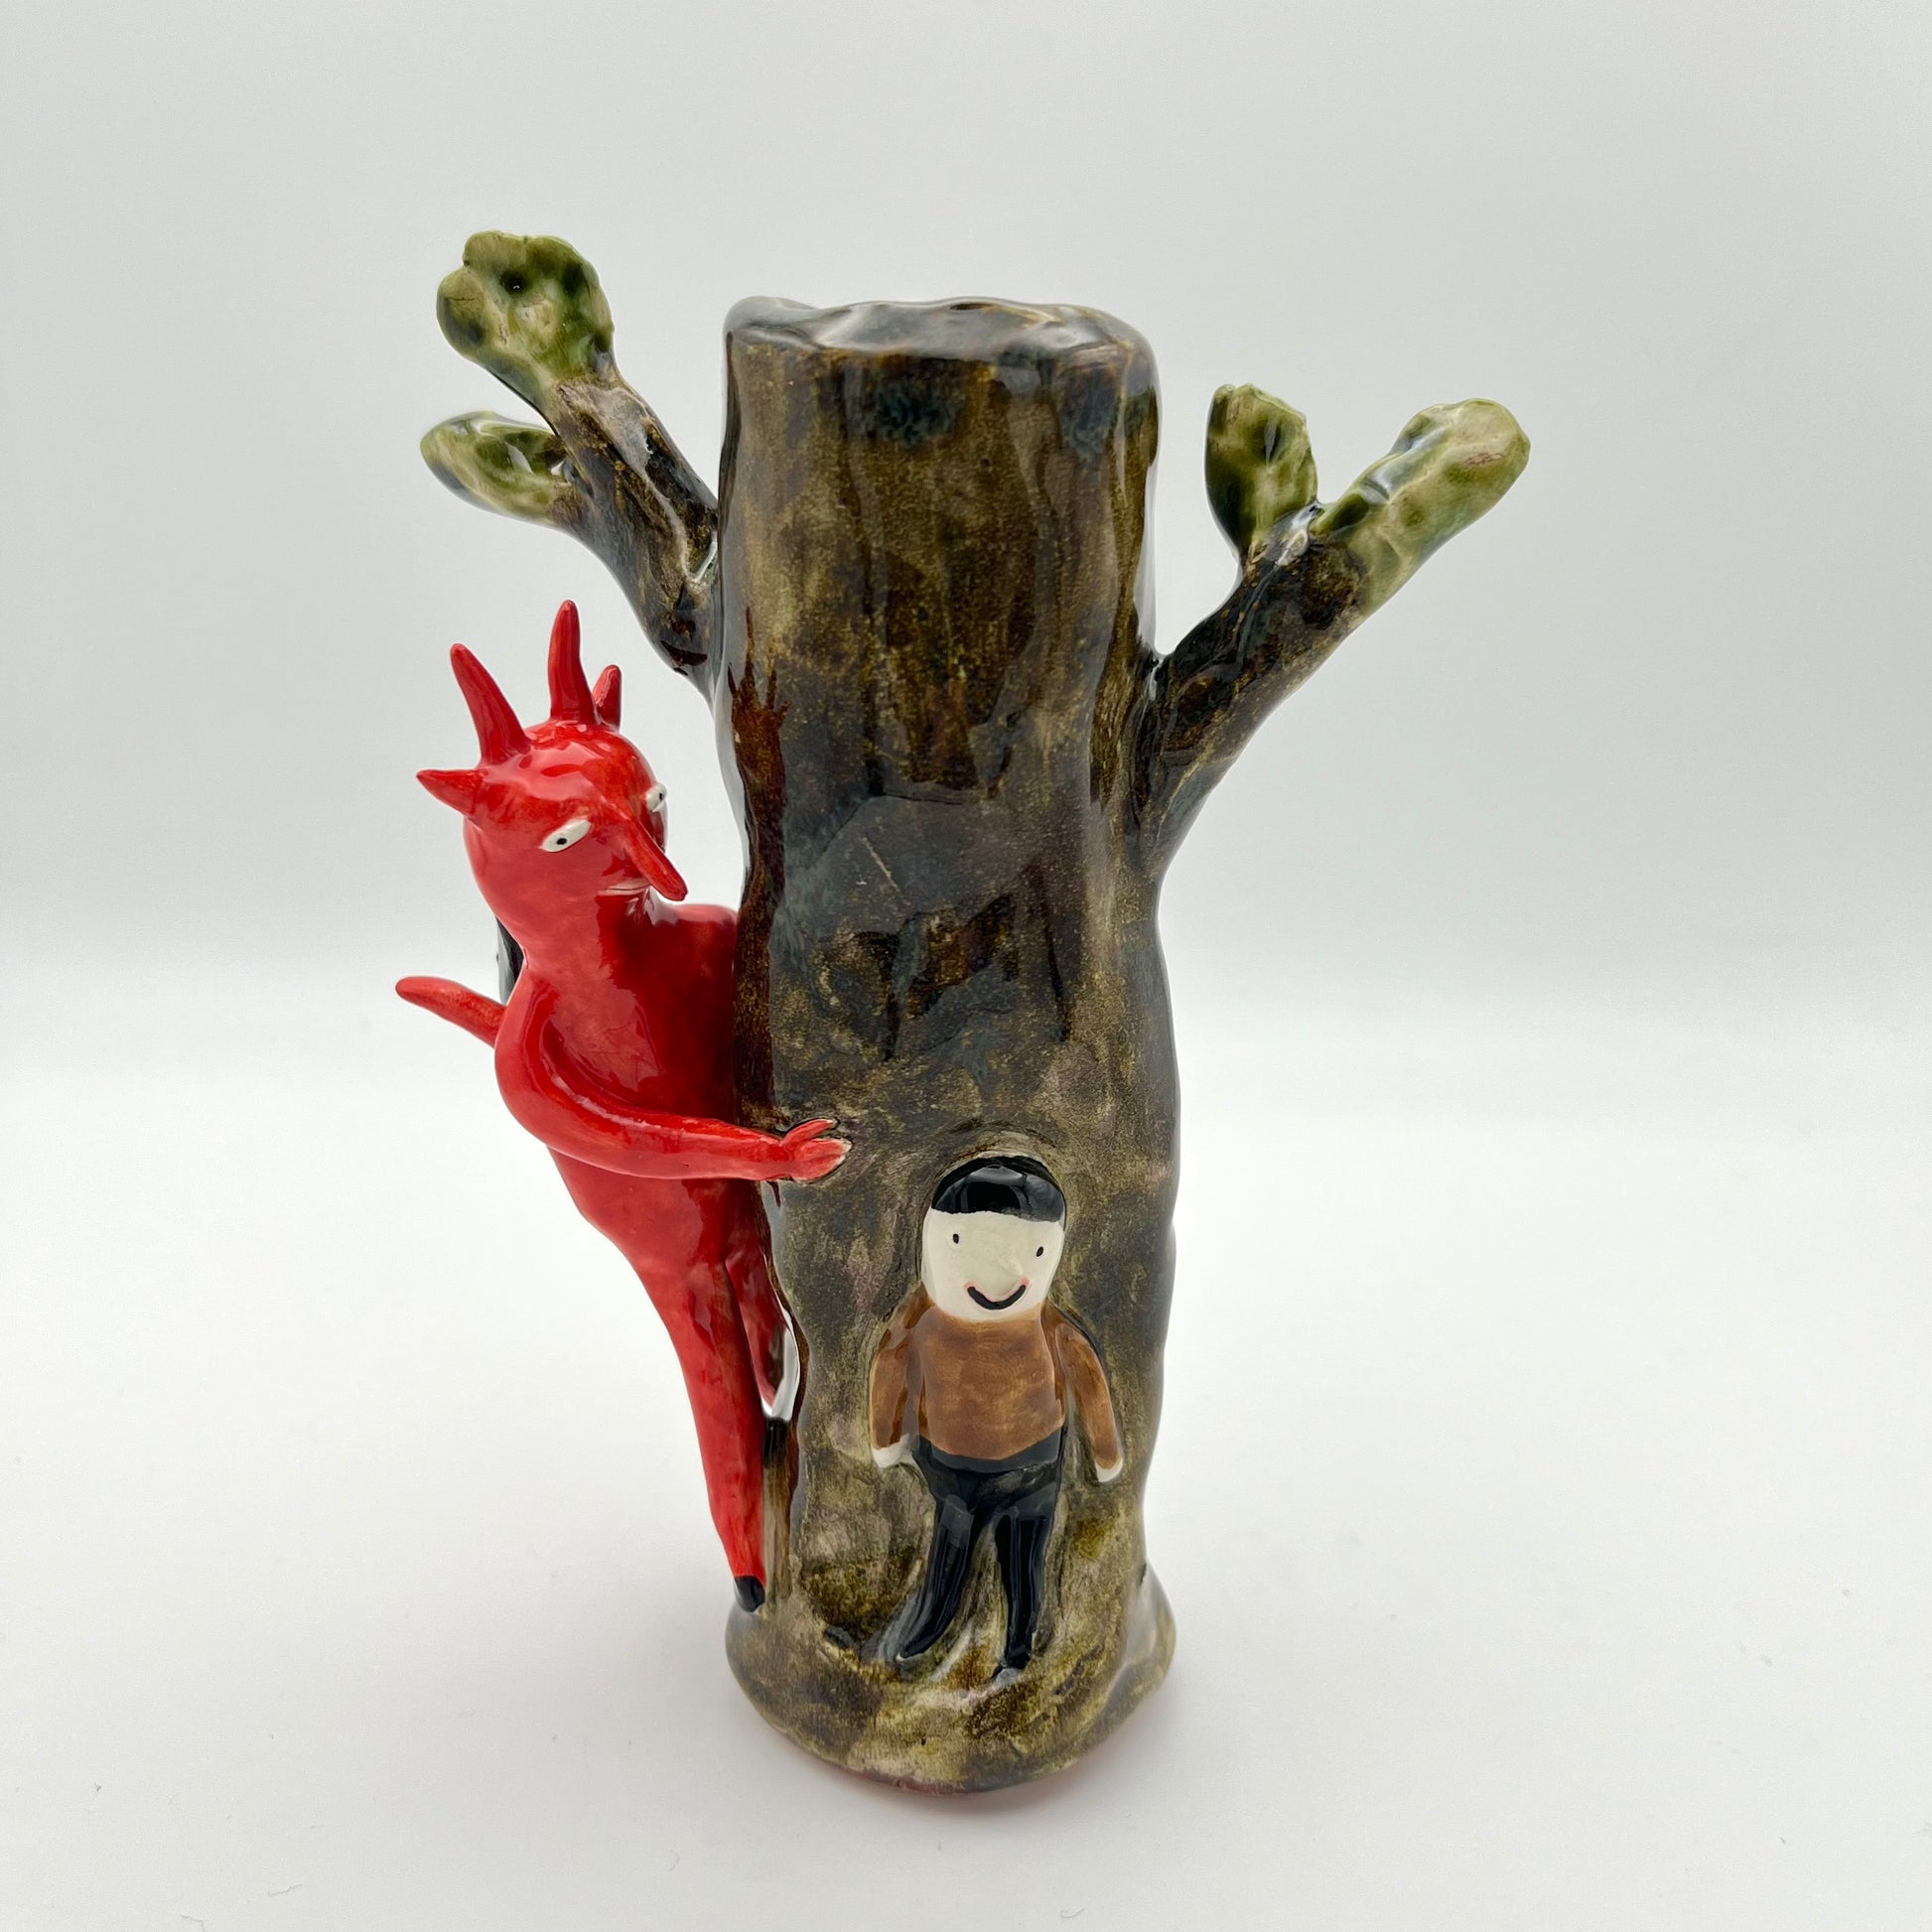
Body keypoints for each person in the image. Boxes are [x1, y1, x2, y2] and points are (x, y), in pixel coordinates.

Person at [869, 1156, 1123, 1677]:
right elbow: (891, 1367)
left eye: (1034, 1252)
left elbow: (1088, 1378)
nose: (1004, 1275)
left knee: (1025, 1562)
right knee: (950, 1557)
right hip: (954, 1468)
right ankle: (925, 1633)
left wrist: (1105, 1452)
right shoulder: (922, 1322)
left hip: (1035, 1466)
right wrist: (886, 1435)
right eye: (964, 1245)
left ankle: (1019, 1648)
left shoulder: (1050, 1328)